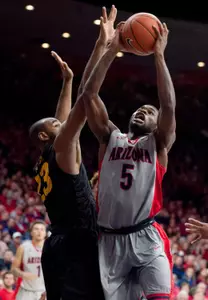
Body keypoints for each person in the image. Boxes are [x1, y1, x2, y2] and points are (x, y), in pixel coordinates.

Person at [81, 19, 176, 300]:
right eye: (140, 109)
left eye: (150, 111)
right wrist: (112, 48)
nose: (143, 111)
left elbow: (168, 105)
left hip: (145, 236)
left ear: (158, 125)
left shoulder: (157, 145)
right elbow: (89, 95)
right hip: (109, 240)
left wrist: (159, 56)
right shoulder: (110, 137)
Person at [29, 6, 118, 300]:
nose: (62, 123)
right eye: (56, 124)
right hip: (76, 248)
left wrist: (67, 81)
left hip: (58, 245)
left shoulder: (47, 158)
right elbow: (86, 98)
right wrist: (102, 45)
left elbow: (65, 115)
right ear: (45, 135)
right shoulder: (62, 150)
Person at [11, 220, 46, 300]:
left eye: (42, 229)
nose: (39, 232)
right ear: (31, 232)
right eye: (36, 229)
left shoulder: (51, 248)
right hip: (26, 291)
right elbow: (13, 269)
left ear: (45, 233)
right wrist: (23, 274)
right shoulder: (23, 247)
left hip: (44, 290)